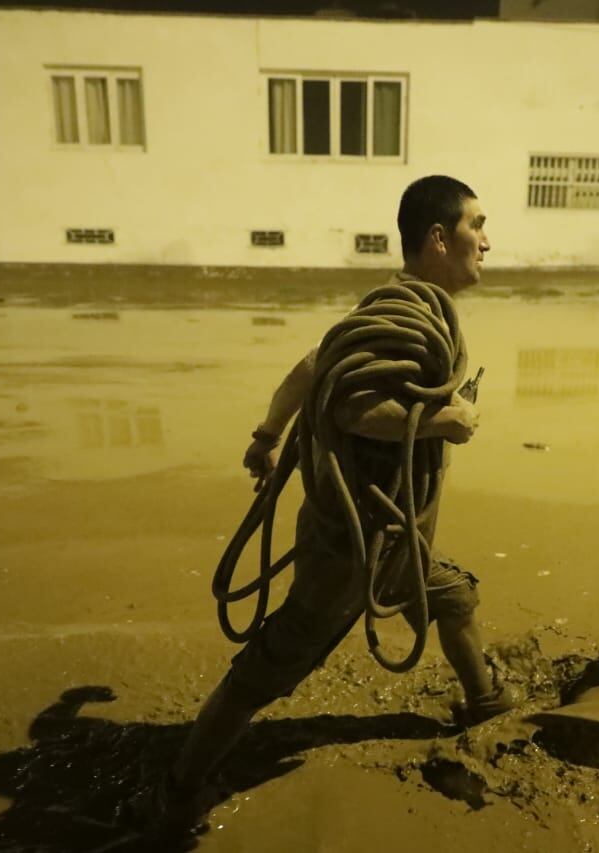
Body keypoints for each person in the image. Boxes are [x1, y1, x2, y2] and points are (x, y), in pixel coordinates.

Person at [153, 175, 514, 836]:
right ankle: (181, 786)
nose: (488, 241)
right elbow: (352, 405)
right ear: (439, 238)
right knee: (270, 666)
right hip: (356, 548)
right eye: (476, 226)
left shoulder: (391, 306)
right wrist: (444, 421)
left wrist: (266, 436)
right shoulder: (403, 314)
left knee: (450, 594)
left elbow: (313, 364)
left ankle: (485, 700)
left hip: (392, 540)